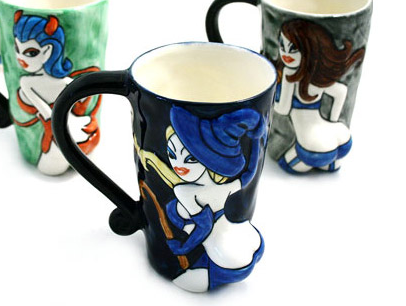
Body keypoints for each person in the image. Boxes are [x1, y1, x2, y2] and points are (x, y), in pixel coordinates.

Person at [135, 106, 266, 292]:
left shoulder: (184, 192)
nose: (178, 165)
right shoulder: (223, 187)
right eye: (172, 154)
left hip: (219, 256)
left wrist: (182, 248)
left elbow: (205, 226)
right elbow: (248, 174)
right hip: (246, 239)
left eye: (190, 159)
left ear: (208, 159)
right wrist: (256, 141)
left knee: (186, 278)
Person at [12, 11, 100, 175]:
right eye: (17, 49)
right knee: (53, 166)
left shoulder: (30, 82)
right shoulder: (35, 82)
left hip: (62, 133)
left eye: (30, 52)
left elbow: (49, 114)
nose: (20, 58)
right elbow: (48, 113)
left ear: (47, 50)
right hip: (66, 132)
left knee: (51, 167)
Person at [274, 19, 365, 173]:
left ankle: (320, 161)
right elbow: (341, 91)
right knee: (327, 164)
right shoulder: (318, 77)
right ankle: (329, 164)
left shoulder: (289, 73)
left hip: (312, 146)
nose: (285, 54)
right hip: (339, 135)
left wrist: (269, 99)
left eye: (294, 48)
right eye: (282, 46)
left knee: (284, 164)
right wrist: (333, 121)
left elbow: (283, 109)